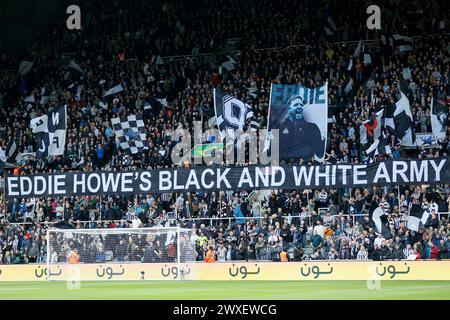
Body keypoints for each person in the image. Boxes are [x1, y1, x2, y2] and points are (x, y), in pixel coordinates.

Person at [278, 94, 325, 160]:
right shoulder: (280, 128)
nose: (299, 107)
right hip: (288, 164)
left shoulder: (313, 128)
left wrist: (324, 140)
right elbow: (275, 152)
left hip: (306, 164)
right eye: (296, 105)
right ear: (289, 109)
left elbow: (319, 154)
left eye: (301, 105)